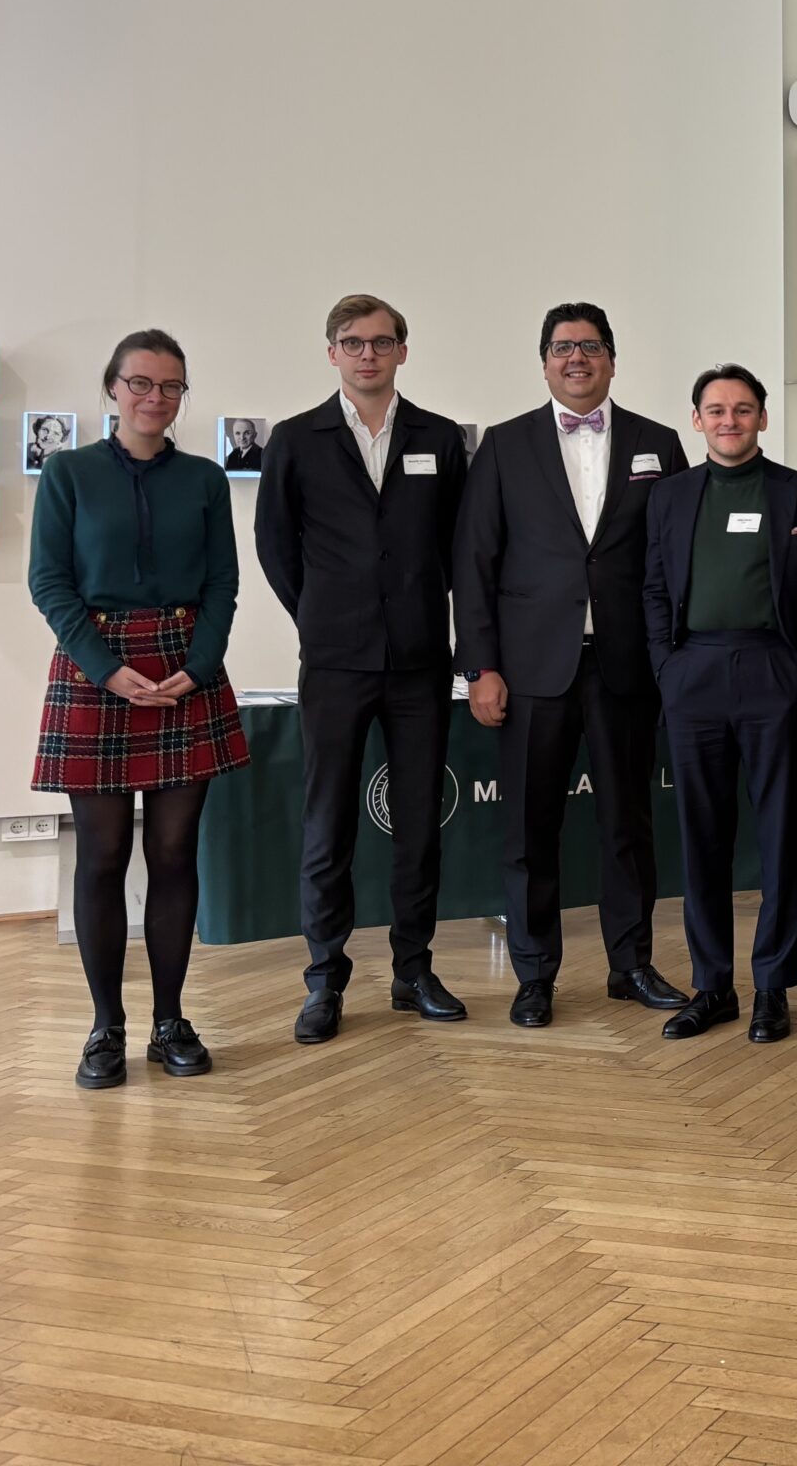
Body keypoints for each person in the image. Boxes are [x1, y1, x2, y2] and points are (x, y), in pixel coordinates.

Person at [453, 303, 687, 1029]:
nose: (576, 358)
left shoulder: (658, 443)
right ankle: (534, 975)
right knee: (529, 831)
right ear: (544, 362)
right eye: (562, 347)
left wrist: (673, 659)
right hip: (529, 671)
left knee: (628, 824)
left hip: (626, 668)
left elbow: (677, 558)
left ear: (612, 359)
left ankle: (631, 964)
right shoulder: (505, 444)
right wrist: (480, 667)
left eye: (589, 346)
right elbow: (473, 560)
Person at [27, 329, 248, 1090]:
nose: (156, 397)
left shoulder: (205, 479)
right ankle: (105, 1027)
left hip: (186, 668)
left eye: (171, 386)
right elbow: (49, 582)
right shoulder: (68, 472)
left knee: (176, 855)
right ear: (113, 388)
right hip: (97, 667)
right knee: (101, 855)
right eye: (141, 383)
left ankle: (170, 1021)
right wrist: (106, 669)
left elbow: (222, 584)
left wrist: (198, 667)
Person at [254, 295, 470, 1044]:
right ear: (332, 353)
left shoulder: (440, 438)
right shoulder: (296, 439)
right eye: (353, 342)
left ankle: (414, 970)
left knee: (419, 824)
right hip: (335, 663)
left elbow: (459, 547)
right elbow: (276, 546)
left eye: (381, 342)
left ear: (402, 351)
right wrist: (320, 614)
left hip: (419, 661)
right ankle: (324, 979)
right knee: (329, 825)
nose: (367, 354)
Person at [644, 365, 797, 1045]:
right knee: (702, 837)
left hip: (774, 669)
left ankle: (773, 986)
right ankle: (712, 986)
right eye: (716, 410)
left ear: (762, 419)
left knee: (779, 836)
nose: (729, 420)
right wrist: (667, 667)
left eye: (743, 409)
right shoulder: (669, 496)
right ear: (697, 420)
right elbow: (653, 588)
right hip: (694, 673)